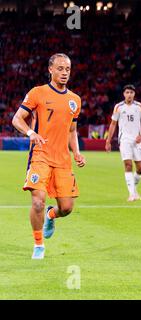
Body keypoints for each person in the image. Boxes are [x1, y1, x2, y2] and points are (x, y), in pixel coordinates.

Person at [11, 53, 86, 259]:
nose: (64, 73)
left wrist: (77, 153)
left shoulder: (75, 100)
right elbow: (17, 119)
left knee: (67, 208)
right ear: (50, 70)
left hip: (62, 160)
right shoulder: (38, 93)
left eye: (67, 69)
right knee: (37, 201)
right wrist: (31, 133)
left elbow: (72, 131)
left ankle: (51, 215)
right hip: (40, 155)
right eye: (60, 69)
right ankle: (38, 245)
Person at [105, 84, 141, 201]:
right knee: (128, 165)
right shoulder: (118, 107)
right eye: (127, 92)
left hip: (137, 140)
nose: (129, 95)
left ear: (134, 94)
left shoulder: (139, 106)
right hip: (124, 140)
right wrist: (108, 141)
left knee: (140, 168)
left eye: (131, 92)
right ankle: (132, 194)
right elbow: (113, 124)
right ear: (124, 94)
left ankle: (134, 190)